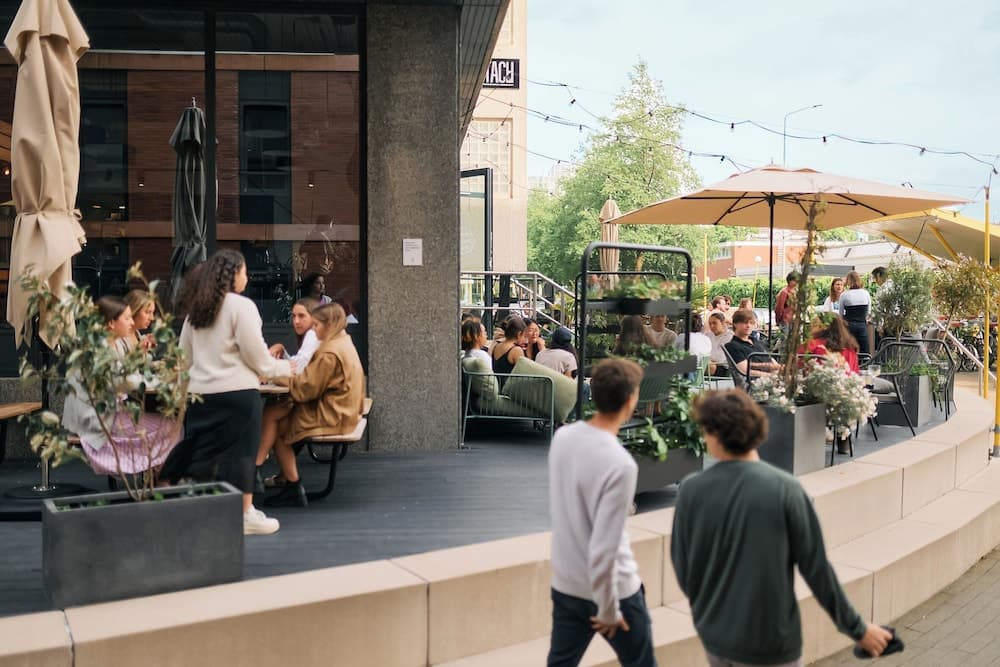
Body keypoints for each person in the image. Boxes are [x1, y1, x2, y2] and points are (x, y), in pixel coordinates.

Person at [672, 390, 892, 665]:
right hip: (771, 642)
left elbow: (684, 567)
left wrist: (708, 614)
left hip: (715, 638)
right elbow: (817, 570)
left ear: (714, 434)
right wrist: (857, 629)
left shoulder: (691, 490)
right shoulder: (786, 490)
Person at [160, 249, 293, 536]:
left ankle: (202, 508)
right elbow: (257, 357)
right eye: (245, 271)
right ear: (234, 274)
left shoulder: (198, 309)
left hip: (200, 394)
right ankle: (245, 514)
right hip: (238, 392)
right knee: (242, 455)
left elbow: (183, 358)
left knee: (203, 452)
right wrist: (286, 369)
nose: (247, 277)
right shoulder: (242, 307)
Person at [547, 359, 657, 667]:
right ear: (631, 400)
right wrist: (608, 609)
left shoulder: (562, 438)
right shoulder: (621, 464)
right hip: (615, 593)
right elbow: (605, 546)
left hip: (567, 584)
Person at [258, 303, 365, 508]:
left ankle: (288, 483)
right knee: (275, 412)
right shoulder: (342, 342)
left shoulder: (329, 353)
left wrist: (273, 375)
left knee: (278, 428)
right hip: (342, 411)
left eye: (316, 325)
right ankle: (280, 478)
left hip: (334, 416)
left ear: (329, 324)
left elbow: (304, 389)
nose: (313, 331)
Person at [62, 296, 181, 477]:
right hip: (96, 420)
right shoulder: (99, 349)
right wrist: (167, 380)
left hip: (106, 413)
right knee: (172, 428)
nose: (131, 322)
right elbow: (127, 381)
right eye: (127, 318)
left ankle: (155, 476)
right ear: (111, 323)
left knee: (170, 425)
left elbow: (127, 376)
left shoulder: (110, 343)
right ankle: (158, 477)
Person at [268, 297, 320, 374]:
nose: (296, 321)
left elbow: (298, 368)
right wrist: (283, 352)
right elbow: (299, 363)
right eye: (294, 316)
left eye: (301, 316)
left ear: (314, 317)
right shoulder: (313, 334)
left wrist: (271, 369)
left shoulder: (313, 334)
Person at [724, 308, 779, 379]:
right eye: (744, 322)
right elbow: (744, 370)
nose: (748, 326)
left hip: (772, 377)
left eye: (751, 323)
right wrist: (771, 375)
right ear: (735, 324)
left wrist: (779, 370)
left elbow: (771, 359)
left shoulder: (756, 341)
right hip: (756, 381)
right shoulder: (732, 346)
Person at [840, 271, 871, 355]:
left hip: (848, 324)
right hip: (862, 324)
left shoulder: (844, 295)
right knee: (864, 350)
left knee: (848, 350)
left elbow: (841, 314)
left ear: (848, 281)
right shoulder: (865, 293)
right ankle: (865, 362)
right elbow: (869, 312)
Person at [491, 316, 526, 385]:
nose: (525, 340)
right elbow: (523, 372)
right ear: (519, 334)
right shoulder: (516, 350)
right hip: (509, 388)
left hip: (496, 385)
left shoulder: (497, 346)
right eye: (524, 336)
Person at [124, 289, 157, 353]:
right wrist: (138, 351)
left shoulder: (137, 334)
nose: (152, 318)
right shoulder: (118, 339)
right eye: (147, 312)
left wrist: (147, 340)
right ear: (134, 310)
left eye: (152, 312)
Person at [706, 313, 733, 377]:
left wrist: (707, 358)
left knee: (708, 366)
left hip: (722, 367)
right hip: (708, 363)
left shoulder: (729, 336)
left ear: (722, 323)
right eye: (710, 324)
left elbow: (720, 358)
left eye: (714, 323)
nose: (712, 326)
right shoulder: (708, 335)